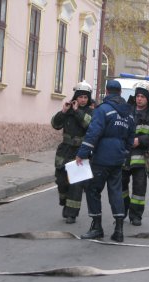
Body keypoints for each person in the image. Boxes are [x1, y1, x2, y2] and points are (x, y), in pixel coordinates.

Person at [76, 80, 135, 242]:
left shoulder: (103, 109)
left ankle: (97, 227)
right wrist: (124, 152)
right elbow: (131, 136)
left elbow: (93, 133)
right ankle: (119, 230)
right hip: (118, 158)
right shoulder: (128, 112)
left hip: (101, 158)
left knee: (93, 190)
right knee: (116, 192)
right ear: (120, 92)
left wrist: (82, 153)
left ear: (107, 91)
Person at [51, 81, 94, 224]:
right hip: (65, 151)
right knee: (61, 181)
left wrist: (77, 112)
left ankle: (71, 214)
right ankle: (65, 202)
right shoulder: (68, 110)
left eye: (85, 97)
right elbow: (55, 124)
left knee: (76, 185)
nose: (83, 100)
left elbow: (88, 124)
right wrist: (64, 111)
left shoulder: (90, 112)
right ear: (76, 97)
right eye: (80, 97)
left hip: (80, 152)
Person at [123, 81, 149, 226]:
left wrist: (140, 140)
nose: (139, 99)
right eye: (137, 96)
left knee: (139, 189)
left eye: (142, 96)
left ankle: (136, 216)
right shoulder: (127, 110)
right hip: (124, 156)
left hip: (140, 158)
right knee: (121, 187)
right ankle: (121, 212)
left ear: (147, 99)